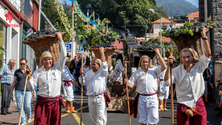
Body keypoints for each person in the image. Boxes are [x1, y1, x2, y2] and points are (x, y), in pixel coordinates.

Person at [164, 27, 211, 125]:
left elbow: (208, 54)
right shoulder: (177, 70)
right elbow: (167, 82)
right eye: (183, 57)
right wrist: (169, 66)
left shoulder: (199, 66)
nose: (186, 59)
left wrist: (204, 36)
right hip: (183, 105)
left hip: (198, 103)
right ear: (181, 59)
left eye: (188, 57)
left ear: (193, 57)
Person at [27, 32, 66, 125]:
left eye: (49, 59)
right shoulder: (38, 72)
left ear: (52, 60)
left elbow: (64, 55)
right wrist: (28, 78)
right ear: (42, 60)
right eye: (45, 59)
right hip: (42, 103)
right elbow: (30, 87)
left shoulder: (58, 68)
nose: (48, 61)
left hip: (55, 103)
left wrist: (60, 39)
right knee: (40, 123)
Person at [125, 48, 167, 125]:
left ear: (149, 62)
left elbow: (164, 67)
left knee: (154, 119)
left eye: (147, 62)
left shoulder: (154, 70)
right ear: (140, 63)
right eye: (143, 62)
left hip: (152, 97)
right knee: (143, 120)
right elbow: (132, 85)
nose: (145, 64)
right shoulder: (137, 73)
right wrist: (127, 83)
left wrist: (158, 54)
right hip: (141, 97)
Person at [80, 47, 110, 125]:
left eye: (94, 64)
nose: (92, 65)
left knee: (101, 116)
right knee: (93, 117)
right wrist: (81, 75)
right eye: (92, 64)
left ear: (98, 65)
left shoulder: (102, 72)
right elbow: (82, 83)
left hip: (100, 97)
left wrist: (102, 52)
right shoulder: (88, 73)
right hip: (90, 97)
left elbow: (104, 64)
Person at [10, 58, 34, 125]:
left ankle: (29, 115)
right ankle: (23, 120)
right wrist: (11, 91)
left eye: (23, 64)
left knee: (27, 105)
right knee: (20, 106)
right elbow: (14, 82)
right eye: (21, 64)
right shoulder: (17, 71)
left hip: (27, 90)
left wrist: (34, 91)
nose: (22, 65)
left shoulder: (28, 71)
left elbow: (32, 82)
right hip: (18, 90)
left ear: (26, 63)